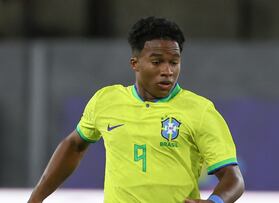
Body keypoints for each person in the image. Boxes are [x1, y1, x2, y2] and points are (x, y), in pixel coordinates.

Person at [28, 16, 244, 203]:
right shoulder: (106, 100)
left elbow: (233, 178)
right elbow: (75, 145)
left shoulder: (200, 110)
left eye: (174, 62)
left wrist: (215, 201)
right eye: (157, 62)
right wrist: (36, 197)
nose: (167, 71)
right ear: (135, 63)